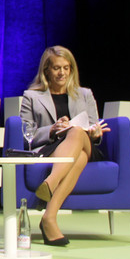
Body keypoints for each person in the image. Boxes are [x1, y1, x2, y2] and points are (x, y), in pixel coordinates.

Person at [20, 45, 109, 246]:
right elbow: (27, 134)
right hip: (53, 148)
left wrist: (96, 133)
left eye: (66, 68)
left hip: (86, 142)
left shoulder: (84, 94)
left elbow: (94, 125)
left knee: (77, 131)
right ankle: (49, 218)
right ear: (46, 71)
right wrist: (52, 129)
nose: (62, 73)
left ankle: (51, 182)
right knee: (79, 157)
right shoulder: (31, 97)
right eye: (57, 68)